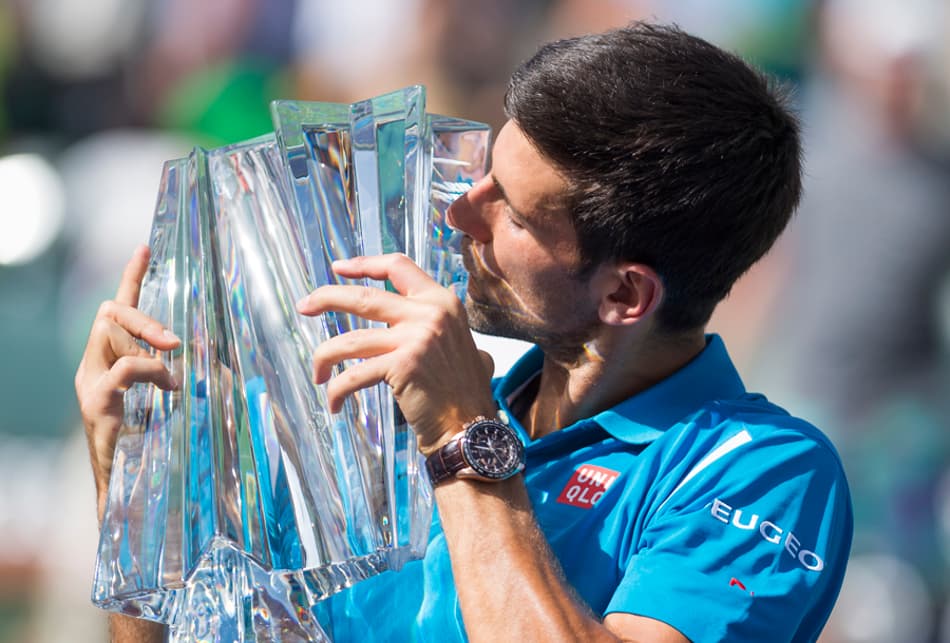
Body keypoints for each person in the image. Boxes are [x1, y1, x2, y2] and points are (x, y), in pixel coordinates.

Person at [76, 22, 853, 642]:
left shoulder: (768, 473)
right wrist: (138, 485)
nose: (458, 212)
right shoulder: (388, 396)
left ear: (624, 292)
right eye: (483, 170)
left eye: (510, 211)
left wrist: (463, 435)